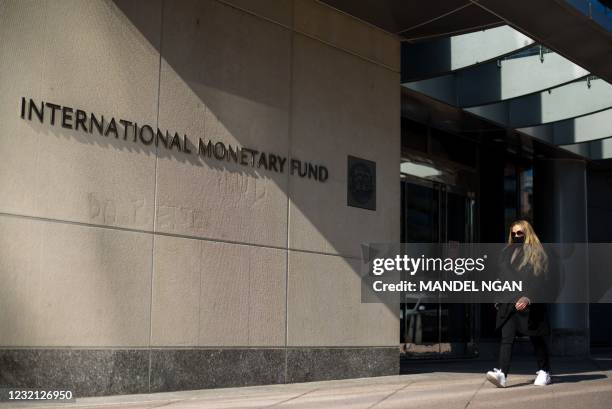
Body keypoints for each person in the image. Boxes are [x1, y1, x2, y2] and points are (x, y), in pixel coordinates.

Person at [486, 220, 552, 388]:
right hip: (508, 302)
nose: (516, 236)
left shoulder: (538, 253)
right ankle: (502, 373)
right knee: (506, 339)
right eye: (513, 233)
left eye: (520, 233)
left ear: (527, 233)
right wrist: (497, 300)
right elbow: (500, 278)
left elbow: (542, 280)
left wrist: (528, 297)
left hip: (529, 303)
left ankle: (544, 371)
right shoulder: (506, 252)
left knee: (536, 337)